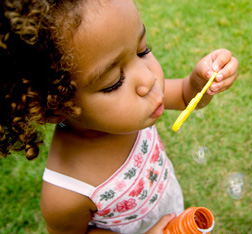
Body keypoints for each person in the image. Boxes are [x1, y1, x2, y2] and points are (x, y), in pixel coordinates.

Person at [0, 0, 239, 233]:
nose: (148, 79)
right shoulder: (66, 194)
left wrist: (200, 83)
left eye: (142, 50)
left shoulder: (136, 105)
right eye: (114, 82)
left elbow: (187, 97)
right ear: (53, 106)